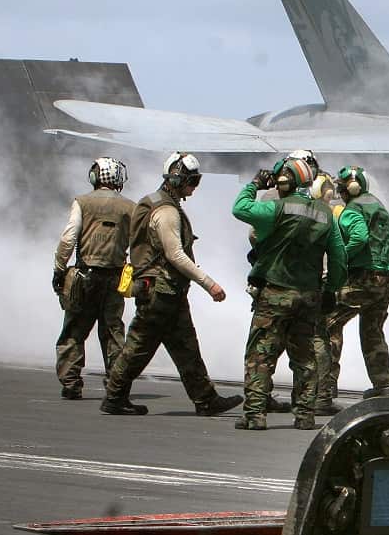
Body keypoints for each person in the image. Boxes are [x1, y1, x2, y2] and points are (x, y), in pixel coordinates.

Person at [101, 153, 243, 417]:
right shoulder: (166, 211)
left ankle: (205, 399)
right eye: (193, 181)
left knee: (186, 346)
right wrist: (209, 284)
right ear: (178, 179)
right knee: (139, 347)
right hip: (160, 292)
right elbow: (175, 254)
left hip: (167, 291)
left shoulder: (159, 203)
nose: (194, 187)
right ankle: (114, 396)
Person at [232, 157, 347, 430]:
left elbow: (240, 208)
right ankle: (305, 415)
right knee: (304, 357)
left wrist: (255, 185)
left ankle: (255, 415)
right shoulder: (324, 213)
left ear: (286, 181)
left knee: (261, 354)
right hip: (308, 297)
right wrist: (331, 289)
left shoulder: (276, 208)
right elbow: (339, 257)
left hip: (274, 293)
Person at [320, 165, 389, 410]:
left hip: (365, 280)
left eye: (341, 186)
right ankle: (383, 387)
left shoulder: (353, 210)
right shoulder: (378, 206)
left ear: (350, 187)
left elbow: (358, 237)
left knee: (328, 323)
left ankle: (322, 393)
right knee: (372, 331)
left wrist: (341, 259)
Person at [52, 157, 135, 400]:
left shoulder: (82, 202)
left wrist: (59, 269)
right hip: (116, 279)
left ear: (95, 176)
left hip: (84, 276)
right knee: (113, 332)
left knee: (74, 330)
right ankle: (116, 384)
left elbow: (68, 239)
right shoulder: (130, 207)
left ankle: (71, 383)